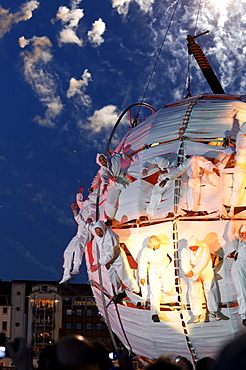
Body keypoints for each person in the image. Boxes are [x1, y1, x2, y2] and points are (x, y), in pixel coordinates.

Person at [73, 207, 141, 303]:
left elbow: (110, 254)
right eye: (97, 232)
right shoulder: (95, 231)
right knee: (113, 278)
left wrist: (97, 264)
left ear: (103, 229)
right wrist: (75, 212)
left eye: (100, 232)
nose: (99, 234)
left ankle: (136, 291)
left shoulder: (110, 237)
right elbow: (84, 224)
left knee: (125, 275)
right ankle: (120, 292)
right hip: (108, 261)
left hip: (117, 258)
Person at [181, 235, 221, 323]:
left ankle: (214, 311)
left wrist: (195, 272)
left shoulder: (204, 248)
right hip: (192, 273)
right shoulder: (184, 251)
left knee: (209, 291)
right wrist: (193, 275)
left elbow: (204, 261)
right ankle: (197, 313)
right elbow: (185, 264)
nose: (192, 249)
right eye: (190, 248)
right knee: (194, 292)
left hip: (206, 271)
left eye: (194, 247)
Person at [59, 187, 95, 284]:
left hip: (87, 231)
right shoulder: (85, 205)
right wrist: (79, 192)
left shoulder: (93, 206)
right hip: (79, 232)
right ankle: (66, 273)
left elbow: (91, 216)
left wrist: (89, 218)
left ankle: (76, 267)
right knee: (67, 252)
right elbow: (79, 201)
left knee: (78, 246)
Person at [138, 235, 176, 322]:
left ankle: (170, 301)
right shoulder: (146, 251)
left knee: (168, 288)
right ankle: (154, 313)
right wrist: (142, 277)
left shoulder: (165, 247)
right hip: (153, 270)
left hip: (165, 269)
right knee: (154, 292)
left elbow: (174, 256)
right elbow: (142, 263)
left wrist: (172, 268)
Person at [96, 153, 133, 221]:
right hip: (114, 185)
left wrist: (125, 156)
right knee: (110, 203)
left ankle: (133, 213)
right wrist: (104, 184)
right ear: (99, 162)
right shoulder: (103, 170)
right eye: (101, 160)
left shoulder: (114, 159)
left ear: (105, 157)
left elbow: (120, 156)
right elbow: (104, 177)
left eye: (103, 158)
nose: (103, 160)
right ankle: (109, 219)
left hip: (124, 179)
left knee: (130, 194)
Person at [229, 224, 246, 326]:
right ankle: (245, 315)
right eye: (242, 234)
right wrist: (232, 221)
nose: (244, 236)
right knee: (242, 293)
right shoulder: (238, 244)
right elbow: (228, 235)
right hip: (239, 270)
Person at [228, 122, 246, 217]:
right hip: (241, 163)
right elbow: (242, 149)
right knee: (237, 186)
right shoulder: (241, 136)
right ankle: (232, 208)